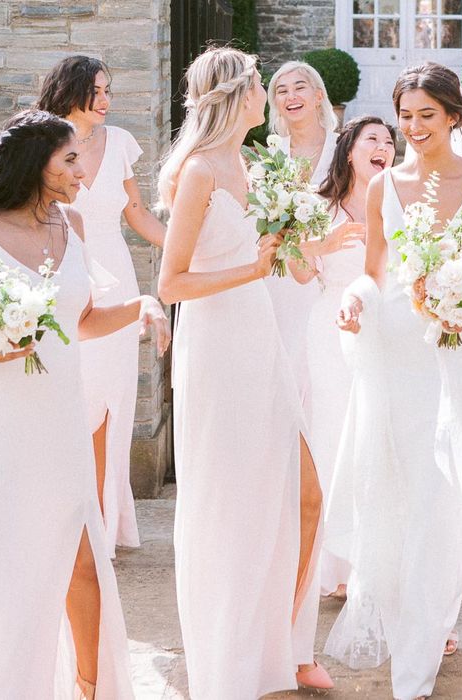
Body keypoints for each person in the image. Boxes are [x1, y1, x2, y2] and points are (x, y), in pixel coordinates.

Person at [327, 62, 462, 700]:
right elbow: (374, 271)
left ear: (455, 117)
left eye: (426, 115)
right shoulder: (384, 187)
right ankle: (412, 619)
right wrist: (353, 297)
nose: (412, 128)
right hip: (391, 351)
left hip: (453, 354)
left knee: (440, 490)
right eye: (405, 116)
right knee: (395, 488)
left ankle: (420, 655)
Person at [156, 47, 332, 699]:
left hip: (262, 340)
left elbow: (277, 254)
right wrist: (253, 269)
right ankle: (228, 661)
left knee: (301, 494)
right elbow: (172, 282)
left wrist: (308, 249)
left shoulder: (254, 164)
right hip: (218, 349)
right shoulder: (200, 170)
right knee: (229, 505)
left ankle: (274, 650)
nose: (268, 92)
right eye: (262, 82)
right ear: (238, 95)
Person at [0, 109, 169, 699]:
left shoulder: (73, 223)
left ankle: (90, 688)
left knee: (84, 563)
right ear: (33, 162)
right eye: (71, 160)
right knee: (12, 569)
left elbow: (83, 319)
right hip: (5, 426)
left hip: (61, 423)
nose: (82, 174)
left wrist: (142, 305)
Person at [36, 55, 166, 557]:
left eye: (109, 89)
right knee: (67, 394)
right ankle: (65, 519)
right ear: (73, 90)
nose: (109, 100)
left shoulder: (121, 145)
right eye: (100, 90)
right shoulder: (40, 142)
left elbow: (137, 214)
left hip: (115, 280)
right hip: (60, 277)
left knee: (110, 400)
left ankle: (103, 524)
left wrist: (191, 251)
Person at [290, 116, 396, 598]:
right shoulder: (318, 207)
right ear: (349, 150)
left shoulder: (401, 202)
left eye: (389, 141)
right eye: (373, 138)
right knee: (334, 436)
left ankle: (373, 560)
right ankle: (336, 564)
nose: (384, 146)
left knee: (377, 439)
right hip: (328, 331)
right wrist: (323, 244)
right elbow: (294, 271)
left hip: (385, 331)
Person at [264, 61, 339, 408]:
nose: (291, 96)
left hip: (331, 267)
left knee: (325, 365)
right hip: (283, 275)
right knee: (285, 362)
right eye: (281, 90)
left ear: (318, 95)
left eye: (299, 87)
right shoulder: (271, 154)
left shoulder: (342, 149)